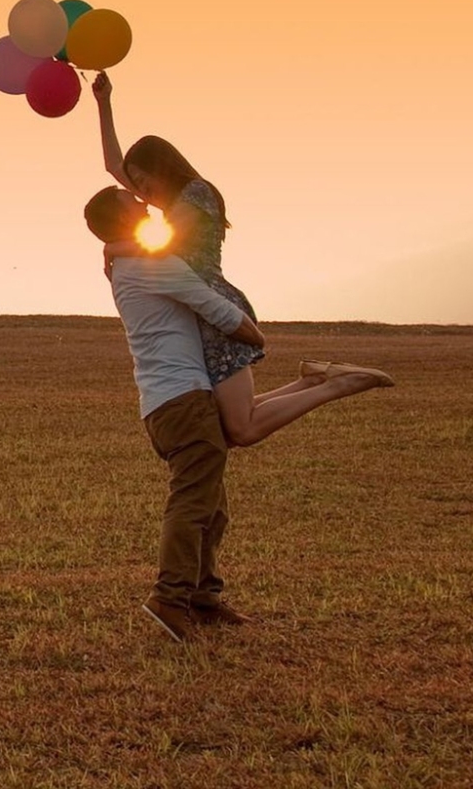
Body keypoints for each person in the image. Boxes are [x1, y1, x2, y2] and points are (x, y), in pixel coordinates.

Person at [84, 184, 394, 644]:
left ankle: (204, 598)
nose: (145, 203)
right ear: (122, 219)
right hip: (182, 400)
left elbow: (153, 245)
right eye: (134, 202)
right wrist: (257, 338)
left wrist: (114, 243)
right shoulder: (152, 265)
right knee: (192, 504)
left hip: (172, 401)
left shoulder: (128, 264)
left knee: (213, 509)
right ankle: (169, 599)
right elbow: (223, 314)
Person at [91, 72, 394, 447]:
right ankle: (314, 379)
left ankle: (339, 384)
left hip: (216, 307)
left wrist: (114, 247)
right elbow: (113, 165)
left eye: (142, 179)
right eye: (134, 183)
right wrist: (104, 104)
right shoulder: (168, 201)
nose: (140, 189)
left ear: (161, 168)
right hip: (195, 311)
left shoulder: (196, 194)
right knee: (226, 425)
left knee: (242, 427)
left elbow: (163, 246)